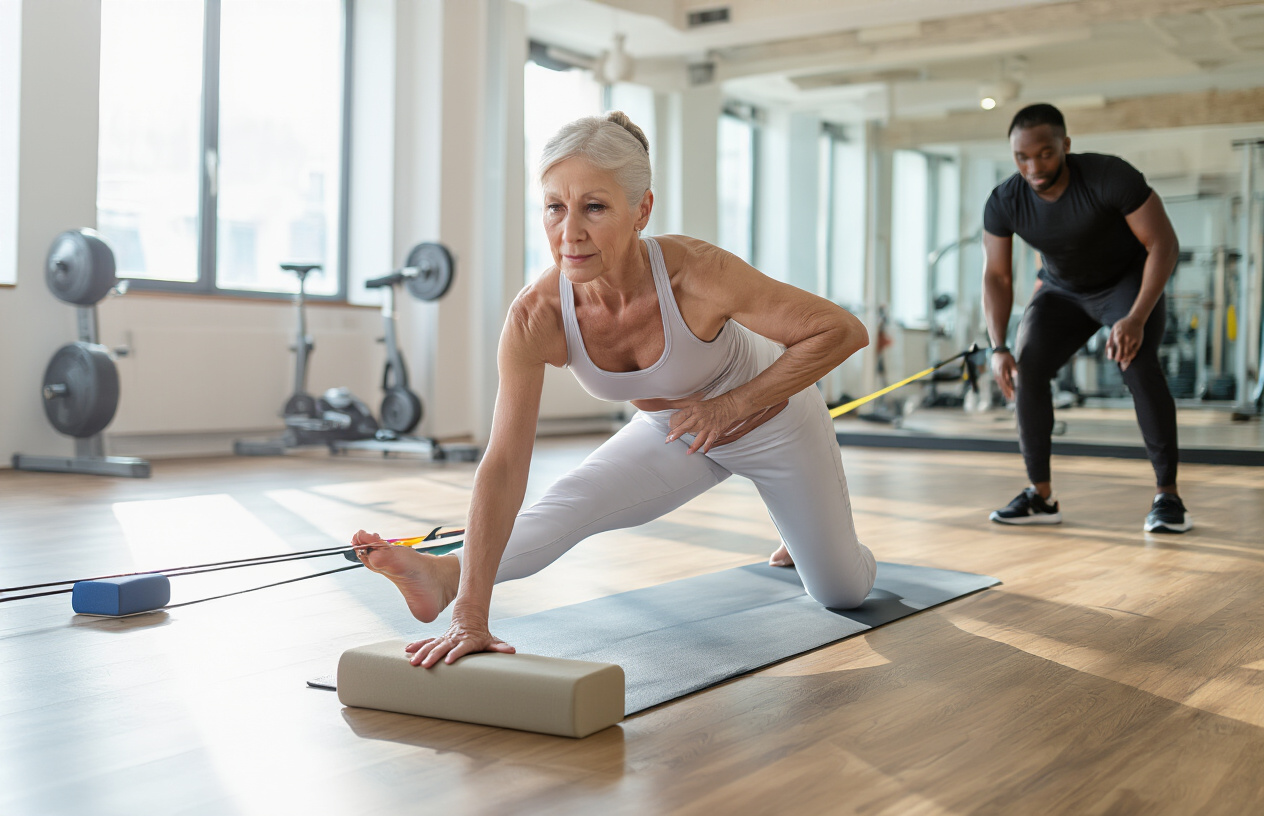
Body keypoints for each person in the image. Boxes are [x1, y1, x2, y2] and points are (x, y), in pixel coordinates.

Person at [350, 112, 877, 667]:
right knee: (568, 506)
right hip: (675, 431)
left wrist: (732, 405)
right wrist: (470, 616)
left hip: (773, 423)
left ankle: (814, 535)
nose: (569, 233)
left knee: (841, 592)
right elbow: (504, 463)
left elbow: (841, 330)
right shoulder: (538, 316)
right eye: (555, 207)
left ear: (641, 210)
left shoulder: (698, 273)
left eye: (594, 208)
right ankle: (444, 576)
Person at [982, 103, 1191, 533]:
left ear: (1065, 146)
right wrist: (998, 346)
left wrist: (1135, 316)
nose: (1034, 166)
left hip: (1124, 285)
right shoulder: (1005, 200)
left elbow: (1164, 244)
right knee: (1029, 367)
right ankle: (1041, 497)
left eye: (1044, 153)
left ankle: (1168, 496)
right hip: (1062, 292)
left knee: (1136, 365)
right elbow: (998, 276)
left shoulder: (1109, 177)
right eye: (1022, 157)